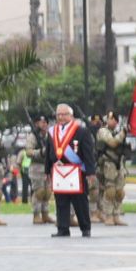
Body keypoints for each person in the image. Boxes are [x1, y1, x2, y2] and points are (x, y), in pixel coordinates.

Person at [45, 102, 94, 238]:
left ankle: (85, 228)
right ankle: (63, 228)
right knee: (61, 201)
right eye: (58, 114)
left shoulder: (81, 130)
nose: (60, 117)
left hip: (76, 171)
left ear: (71, 116)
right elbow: (48, 152)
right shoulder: (52, 131)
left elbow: (88, 153)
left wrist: (90, 172)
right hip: (59, 171)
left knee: (80, 201)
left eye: (64, 114)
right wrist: (46, 170)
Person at [96, 111, 128, 227]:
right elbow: (112, 143)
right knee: (110, 191)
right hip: (108, 164)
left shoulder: (117, 132)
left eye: (113, 119)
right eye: (109, 119)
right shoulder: (103, 131)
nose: (110, 121)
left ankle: (116, 215)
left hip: (119, 164)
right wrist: (123, 133)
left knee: (120, 192)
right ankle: (108, 216)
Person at [24, 114, 55, 226]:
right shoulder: (32, 136)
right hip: (36, 167)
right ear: (36, 123)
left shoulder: (49, 136)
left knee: (47, 192)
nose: (44, 124)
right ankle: (36, 215)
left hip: (47, 166)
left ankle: (45, 214)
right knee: (39, 192)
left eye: (46, 122)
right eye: (42, 122)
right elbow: (28, 152)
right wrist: (40, 152)